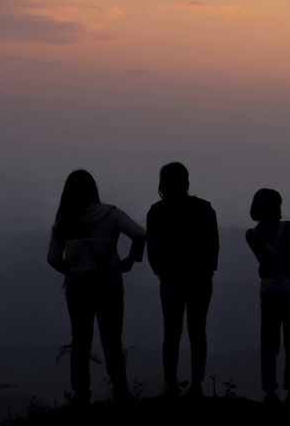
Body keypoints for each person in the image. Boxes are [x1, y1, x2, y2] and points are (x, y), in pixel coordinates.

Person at [47, 169, 146, 406]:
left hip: (78, 291)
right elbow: (140, 235)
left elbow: (52, 258)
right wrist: (130, 261)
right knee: (113, 342)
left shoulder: (65, 219)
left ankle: (81, 395)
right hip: (109, 286)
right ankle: (121, 392)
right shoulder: (111, 214)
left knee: (80, 342)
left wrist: (71, 270)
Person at [146, 162, 219, 398]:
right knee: (198, 332)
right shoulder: (205, 209)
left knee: (171, 333)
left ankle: (171, 384)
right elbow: (213, 248)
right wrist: (206, 271)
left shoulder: (156, 212)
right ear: (186, 183)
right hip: (200, 280)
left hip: (171, 281)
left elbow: (153, 253)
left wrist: (163, 272)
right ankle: (196, 384)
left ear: (162, 185)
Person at [245, 188, 290, 404]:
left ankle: (269, 391)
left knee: (269, 343)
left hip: (269, 292)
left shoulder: (251, 235)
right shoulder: (287, 227)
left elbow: (265, 261)